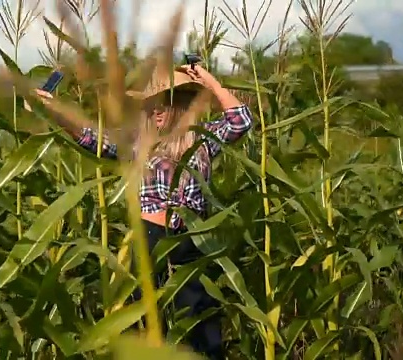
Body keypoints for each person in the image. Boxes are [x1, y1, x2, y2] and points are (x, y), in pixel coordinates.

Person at [33, 63, 253, 359]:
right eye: (152, 106)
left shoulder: (202, 139)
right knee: (147, 323)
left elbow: (241, 120)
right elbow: (89, 137)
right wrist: (53, 109)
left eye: (164, 105)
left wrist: (209, 81)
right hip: (150, 240)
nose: (156, 112)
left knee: (201, 324)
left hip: (192, 240)